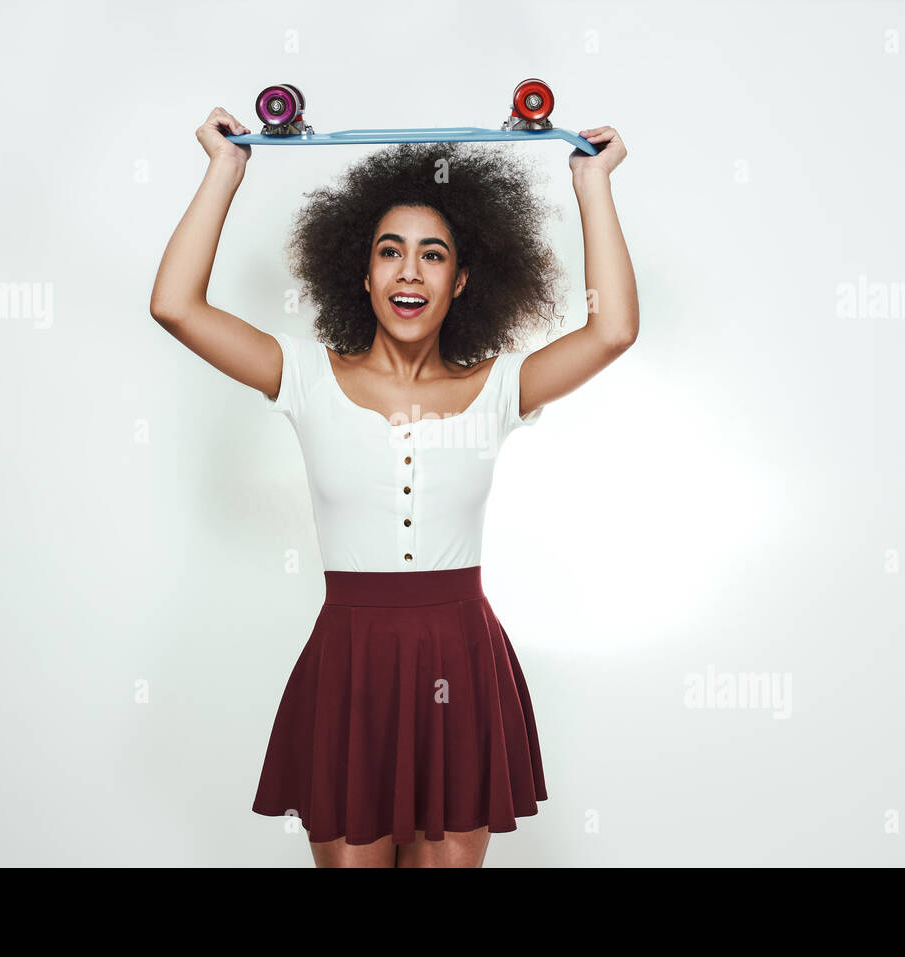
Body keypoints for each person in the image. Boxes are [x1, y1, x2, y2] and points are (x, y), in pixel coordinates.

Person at [150, 106, 638, 867]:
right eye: (390, 252)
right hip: (350, 669)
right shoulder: (306, 375)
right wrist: (226, 168)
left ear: (463, 278)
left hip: (463, 663)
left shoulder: (501, 386)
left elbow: (611, 331)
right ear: (363, 271)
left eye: (433, 255)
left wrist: (591, 182)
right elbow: (175, 306)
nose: (410, 271)